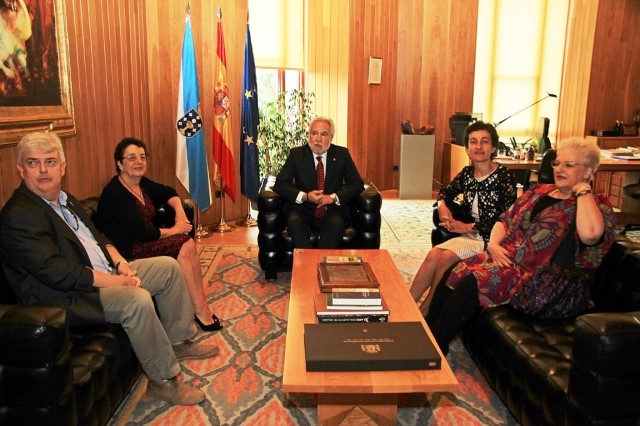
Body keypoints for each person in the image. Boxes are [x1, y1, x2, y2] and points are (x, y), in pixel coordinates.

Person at [0, 132, 219, 405]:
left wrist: (121, 264)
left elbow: (98, 237)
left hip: (102, 274)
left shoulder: (66, 200)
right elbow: (54, 271)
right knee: (136, 300)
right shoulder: (20, 214)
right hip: (65, 297)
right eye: (33, 163)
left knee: (167, 268)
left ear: (62, 167)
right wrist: (116, 282)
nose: (44, 170)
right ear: (20, 169)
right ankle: (164, 382)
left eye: (51, 161)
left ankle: (178, 341)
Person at [426, 137, 617, 354]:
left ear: (588, 171)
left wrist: (583, 190)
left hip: (544, 282)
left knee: (472, 281)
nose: (559, 169)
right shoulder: (539, 191)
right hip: (509, 260)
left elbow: (590, 236)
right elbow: (503, 220)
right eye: (557, 163)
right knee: (456, 269)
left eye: (569, 165)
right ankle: (428, 333)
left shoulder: (595, 203)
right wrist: (494, 246)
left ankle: (434, 350)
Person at [96, 137, 222, 332]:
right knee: (183, 243)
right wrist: (174, 230)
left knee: (186, 243)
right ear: (119, 164)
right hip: (128, 250)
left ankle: (198, 305)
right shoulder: (115, 193)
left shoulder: (140, 183)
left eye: (142, 157)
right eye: (131, 158)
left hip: (144, 241)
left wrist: (180, 215)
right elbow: (141, 232)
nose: (138, 161)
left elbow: (168, 191)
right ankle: (199, 309)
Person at [410, 121, 516, 316]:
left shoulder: (504, 176)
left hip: (492, 239)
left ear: (493, 147)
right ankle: (407, 303)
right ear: (467, 148)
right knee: (434, 254)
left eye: (484, 142)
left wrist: (467, 227)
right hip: (472, 236)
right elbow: (445, 192)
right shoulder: (467, 174)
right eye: (473, 142)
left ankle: (429, 307)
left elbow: (507, 218)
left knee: (447, 257)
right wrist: (442, 207)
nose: (478, 146)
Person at [273, 116, 365, 248]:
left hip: (332, 211)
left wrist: (332, 198)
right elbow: (280, 184)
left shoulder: (341, 154)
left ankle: (319, 263)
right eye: (314, 133)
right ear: (309, 135)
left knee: (337, 224)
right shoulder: (296, 154)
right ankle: (309, 264)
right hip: (302, 210)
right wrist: (305, 196)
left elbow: (357, 184)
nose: (318, 139)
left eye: (324, 134)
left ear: (331, 138)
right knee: (294, 222)